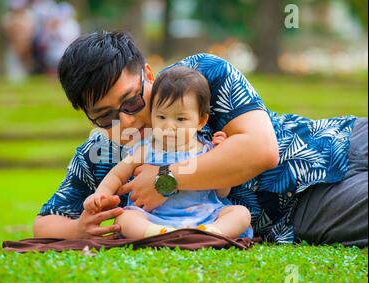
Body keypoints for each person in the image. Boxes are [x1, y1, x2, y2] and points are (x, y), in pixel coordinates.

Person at [33, 31, 367, 247]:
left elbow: (261, 150)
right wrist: (78, 230)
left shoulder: (201, 74)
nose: (126, 121)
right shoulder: (100, 154)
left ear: (148, 74)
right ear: (87, 116)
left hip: (340, 138)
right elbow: (43, 223)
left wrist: (168, 179)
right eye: (105, 116)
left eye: (131, 101)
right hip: (303, 206)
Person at [83, 66, 253, 240]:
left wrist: (220, 155)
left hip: (205, 216)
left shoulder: (206, 150)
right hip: (156, 220)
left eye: (180, 119)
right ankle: (158, 235)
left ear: (201, 121)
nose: (169, 126)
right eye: (161, 117)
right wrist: (100, 193)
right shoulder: (145, 149)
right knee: (125, 218)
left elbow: (222, 192)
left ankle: (211, 232)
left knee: (240, 213)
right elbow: (117, 175)